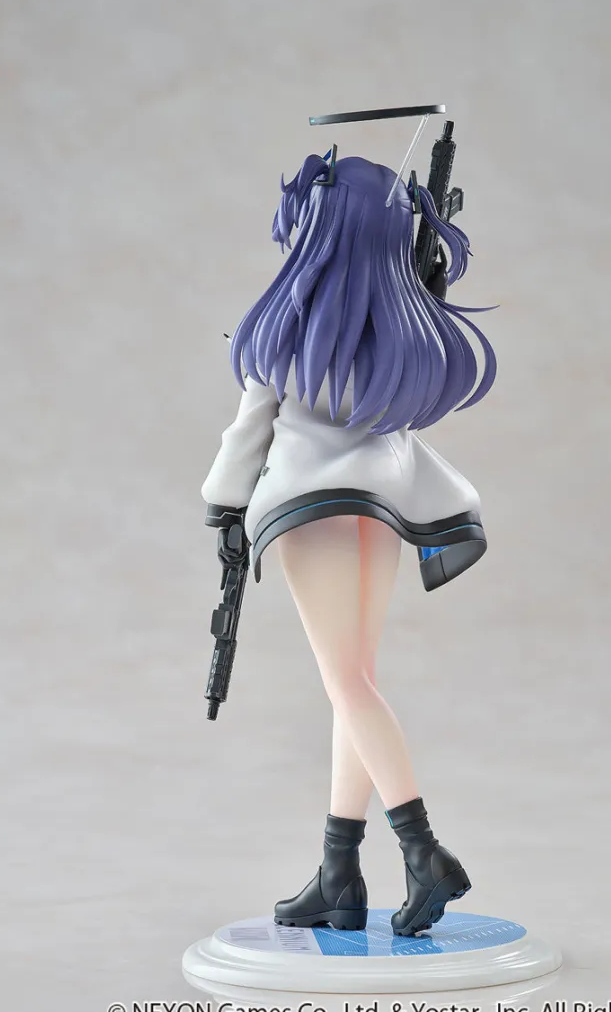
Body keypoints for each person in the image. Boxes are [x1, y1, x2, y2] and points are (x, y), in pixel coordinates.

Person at [201, 150, 496, 936]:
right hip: (384, 506)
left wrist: (221, 503)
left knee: (350, 683)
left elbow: (248, 431)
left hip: (313, 509)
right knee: (353, 682)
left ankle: (424, 850)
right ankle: (338, 873)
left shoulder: (289, 326)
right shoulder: (404, 325)